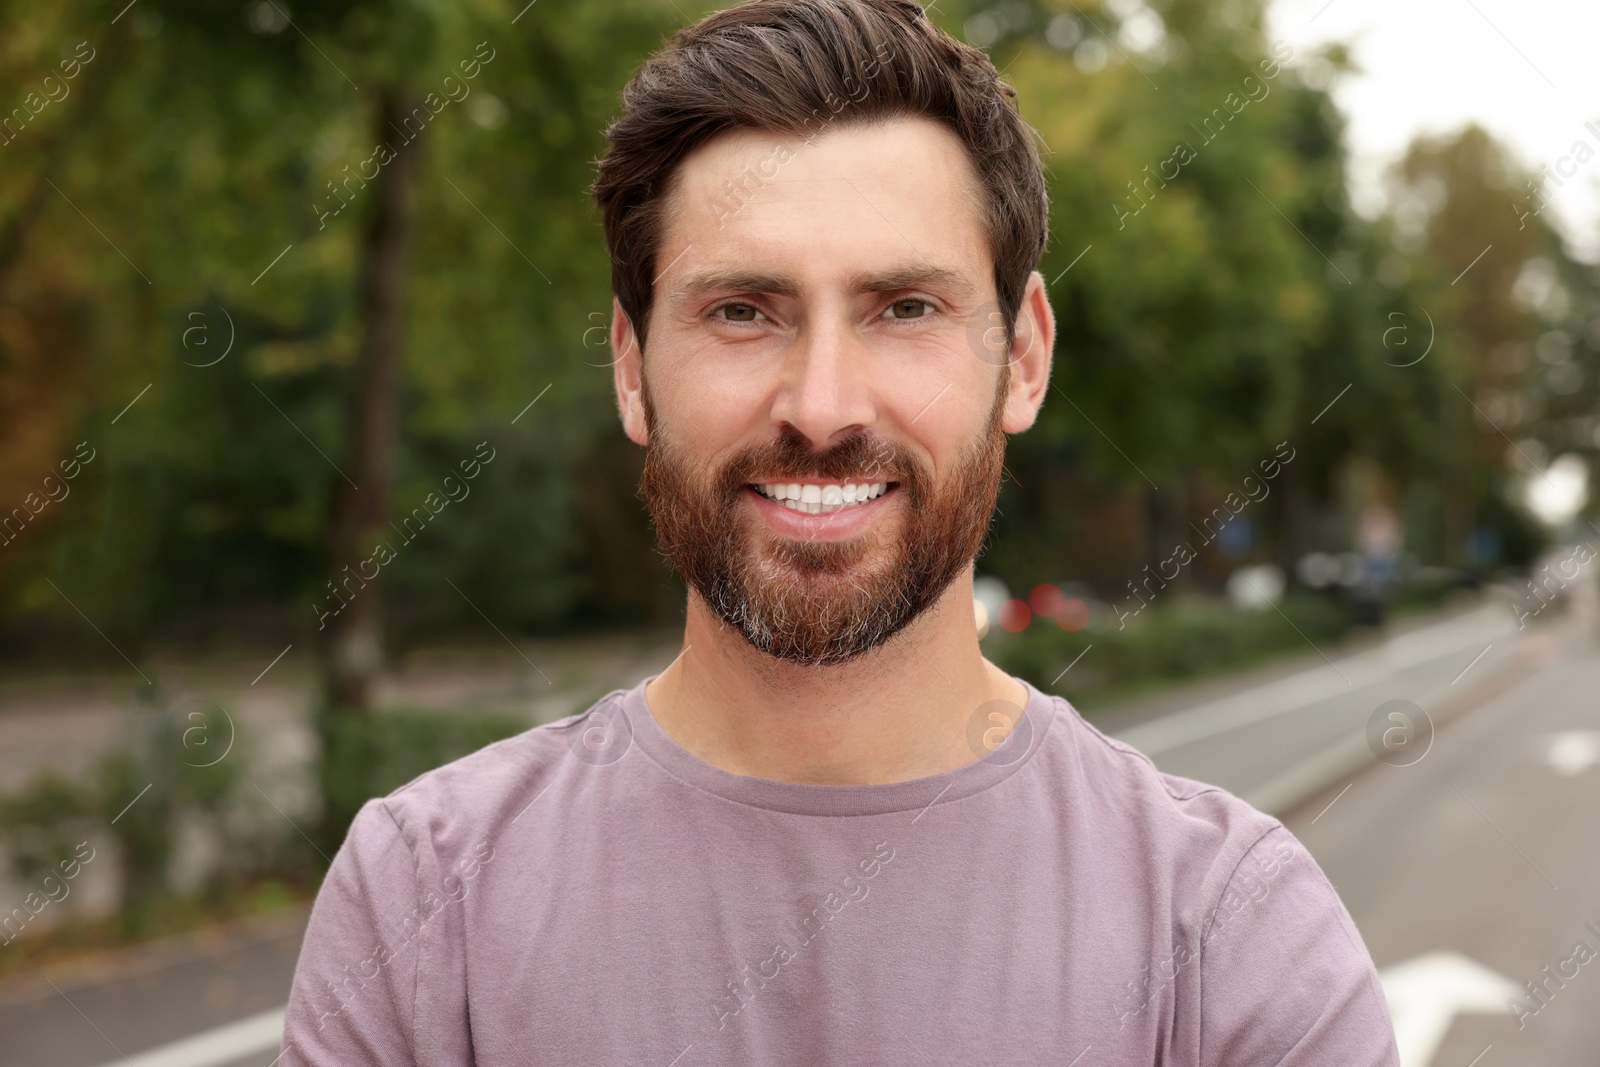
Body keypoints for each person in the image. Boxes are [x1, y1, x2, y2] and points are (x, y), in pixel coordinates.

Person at [281, 2, 1401, 1063]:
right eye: (741, 311)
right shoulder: (425, 899)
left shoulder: (1233, 927)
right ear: (630, 369)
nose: (821, 405)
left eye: (904, 308)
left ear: (1021, 355)